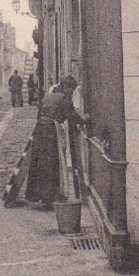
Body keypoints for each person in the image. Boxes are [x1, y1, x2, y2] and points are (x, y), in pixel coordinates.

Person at [25, 76, 89, 208]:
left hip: (40, 128)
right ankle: (49, 198)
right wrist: (83, 119)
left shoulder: (49, 96)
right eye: (71, 90)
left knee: (40, 162)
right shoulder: (64, 98)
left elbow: (39, 115)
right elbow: (71, 115)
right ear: (67, 87)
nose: (71, 93)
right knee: (52, 163)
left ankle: (38, 195)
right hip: (51, 131)